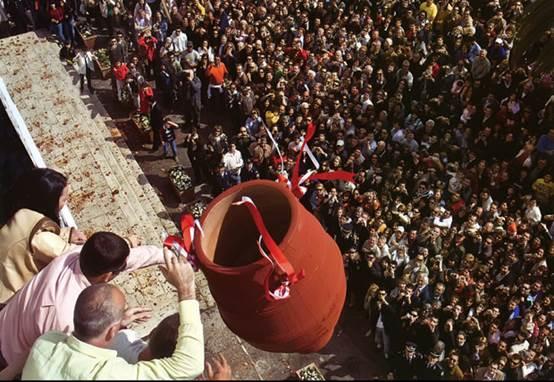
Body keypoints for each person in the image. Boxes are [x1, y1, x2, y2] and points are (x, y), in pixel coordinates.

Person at [0, 232, 163, 378]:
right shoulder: (67, 315)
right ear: (106, 276)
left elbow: (130, 259)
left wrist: (166, 255)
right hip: (10, 361)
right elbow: (76, 360)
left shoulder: (75, 254)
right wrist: (119, 325)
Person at [22, 249, 204, 379]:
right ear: (111, 332)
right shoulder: (109, 374)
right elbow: (189, 364)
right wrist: (186, 288)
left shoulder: (46, 343)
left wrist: (117, 324)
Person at [0, 168, 86, 303]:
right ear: (48, 201)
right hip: (7, 302)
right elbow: (83, 258)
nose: (65, 204)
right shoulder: (40, 238)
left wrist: (66, 234)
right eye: (63, 200)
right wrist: (127, 243)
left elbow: (28, 238)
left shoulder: (19, 213)